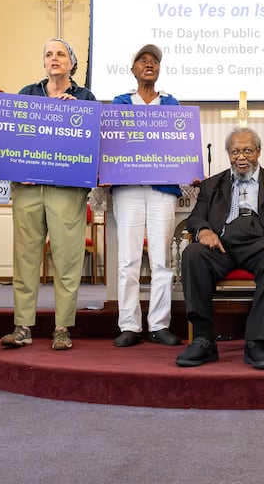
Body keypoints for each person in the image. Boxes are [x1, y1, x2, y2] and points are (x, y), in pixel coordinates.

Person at [175, 128, 264, 370]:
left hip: (261, 245)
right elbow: (196, 217)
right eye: (235, 152)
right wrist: (204, 231)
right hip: (222, 247)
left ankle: (257, 342)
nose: (241, 157)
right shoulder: (212, 185)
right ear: (229, 155)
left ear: (259, 152)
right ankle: (203, 339)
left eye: (247, 151)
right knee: (193, 253)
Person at [0, 38, 94, 351]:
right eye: (49, 54)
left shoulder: (84, 97)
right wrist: (16, 169)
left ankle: (62, 327)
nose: (54, 59)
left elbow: (90, 144)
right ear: (44, 62)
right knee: (25, 255)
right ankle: (23, 326)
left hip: (66, 189)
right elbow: (11, 139)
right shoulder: (27, 93)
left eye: (61, 54)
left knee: (67, 257)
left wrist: (74, 112)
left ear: (71, 62)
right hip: (28, 188)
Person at [108, 44, 182, 348]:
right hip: (128, 189)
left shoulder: (172, 103)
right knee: (128, 258)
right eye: (142, 60)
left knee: (162, 259)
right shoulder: (120, 102)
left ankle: (159, 324)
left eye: (154, 61)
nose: (149, 64)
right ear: (133, 69)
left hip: (162, 189)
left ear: (159, 70)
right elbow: (111, 142)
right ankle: (129, 324)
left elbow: (180, 144)